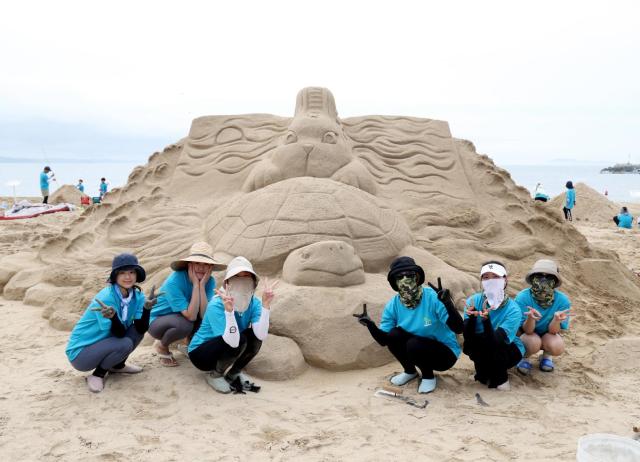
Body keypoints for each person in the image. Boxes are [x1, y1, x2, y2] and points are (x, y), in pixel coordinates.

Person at [353, 256, 463, 394]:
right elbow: (384, 340)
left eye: (410, 275)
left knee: (414, 343)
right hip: (416, 349)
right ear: (394, 282)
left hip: (444, 355)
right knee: (394, 334)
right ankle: (410, 371)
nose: (405, 279)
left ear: (417, 277)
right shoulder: (393, 305)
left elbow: (459, 328)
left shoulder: (434, 297)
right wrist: (370, 325)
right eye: (400, 277)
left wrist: (447, 303)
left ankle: (428, 376)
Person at [65, 254, 160, 393]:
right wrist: (114, 317)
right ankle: (98, 375)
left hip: (106, 344)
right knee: (125, 343)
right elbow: (119, 333)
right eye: (122, 272)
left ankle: (118, 366)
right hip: (81, 354)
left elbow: (141, 328)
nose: (128, 277)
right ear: (115, 275)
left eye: (132, 272)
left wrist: (146, 310)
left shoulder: (137, 296)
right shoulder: (107, 297)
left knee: (136, 331)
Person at [188, 256, 277, 394]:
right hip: (201, 354)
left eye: (246, 277)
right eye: (237, 277)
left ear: (253, 282)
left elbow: (261, 335)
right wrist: (229, 312)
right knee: (239, 339)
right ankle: (215, 375)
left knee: (253, 336)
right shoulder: (217, 304)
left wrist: (266, 305)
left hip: (229, 344)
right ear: (227, 283)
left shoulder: (254, 302)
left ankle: (233, 374)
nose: (241, 281)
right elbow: (232, 341)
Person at [148, 242, 226, 366]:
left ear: (210, 267)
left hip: (183, 315)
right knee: (185, 324)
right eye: (197, 263)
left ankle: (188, 345)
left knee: (206, 319)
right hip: (157, 321)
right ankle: (162, 346)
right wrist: (195, 284)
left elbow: (205, 315)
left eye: (205, 264)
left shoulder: (209, 281)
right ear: (190, 265)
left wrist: (201, 286)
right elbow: (191, 316)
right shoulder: (174, 281)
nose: (201, 267)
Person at [462, 261, 524, 391]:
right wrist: (472, 319)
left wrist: (486, 321)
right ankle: (482, 372)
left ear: (505, 280)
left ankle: (502, 379)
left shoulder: (513, 309)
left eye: (496, 277)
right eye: (486, 277)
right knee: (471, 346)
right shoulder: (473, 300)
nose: (491, 281)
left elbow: (497, 340)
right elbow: (468, 337)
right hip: (483, 344)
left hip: (507, 350)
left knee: (496, 347)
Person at [515, 259, 571, 375]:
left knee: (557, 345)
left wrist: (556, 320)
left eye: (549, 276)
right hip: (527, 334)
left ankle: (547, 356)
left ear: (555, 280)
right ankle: (524, 357)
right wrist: (530, 318)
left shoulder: (562, 300)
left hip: (548, 334)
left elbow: (554, 331)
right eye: (539, 275)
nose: (543, 280)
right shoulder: (522, 297)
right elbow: (526, 330)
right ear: (533, 278)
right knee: (532, 341)